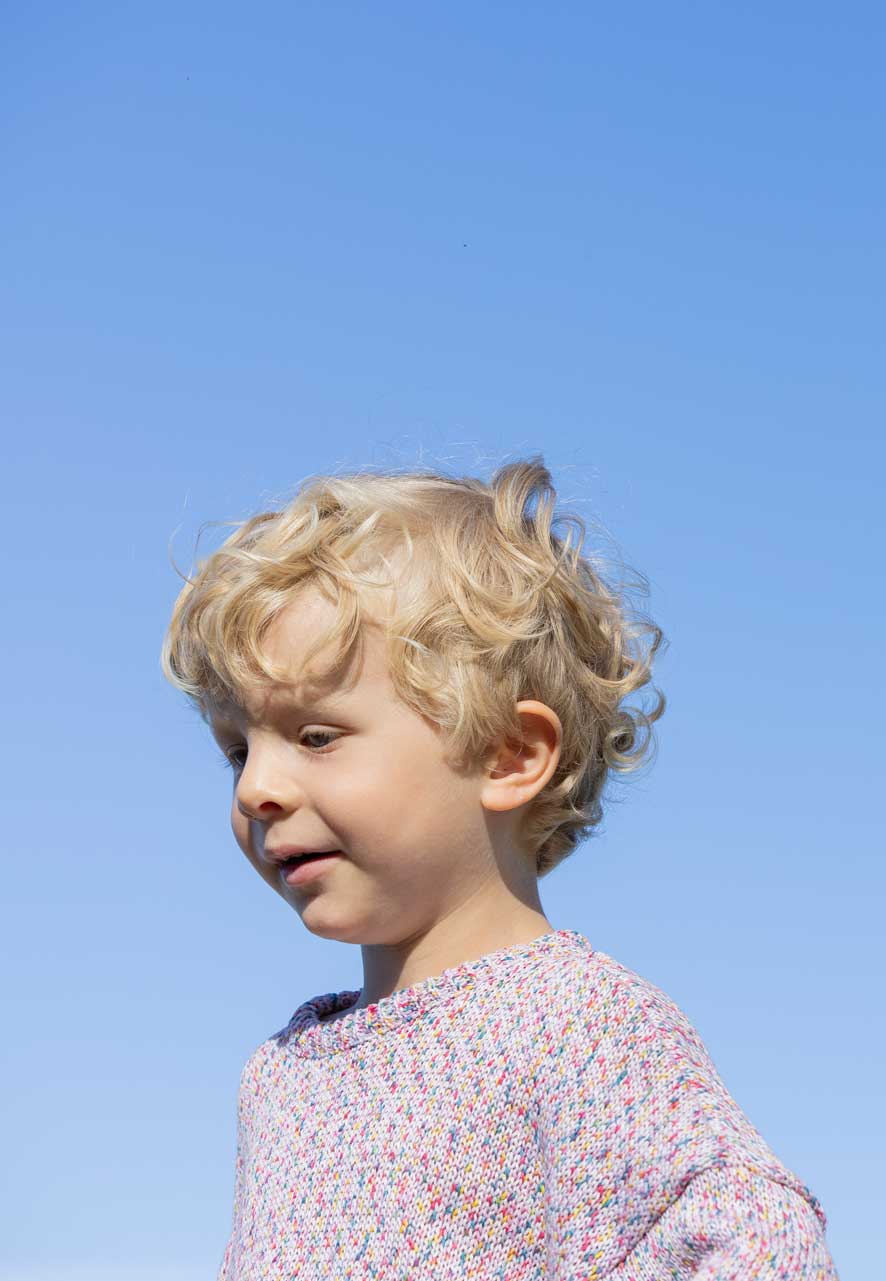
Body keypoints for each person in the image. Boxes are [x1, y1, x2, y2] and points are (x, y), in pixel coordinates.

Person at [161, 457, 838, 1280]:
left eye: (315, 736)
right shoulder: (280, 1075)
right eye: (237, 750)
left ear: (509, 754)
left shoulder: (576, 1022)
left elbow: (760, 1243)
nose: (258, 788)